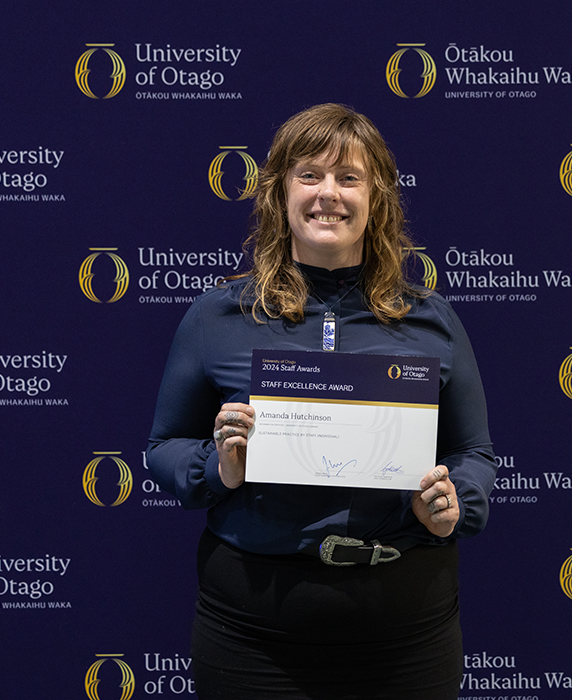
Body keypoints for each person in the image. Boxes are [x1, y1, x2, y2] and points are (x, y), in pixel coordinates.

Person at [147, 103, 497, 700]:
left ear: (377, 198)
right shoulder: (218, 315)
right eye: (309, 175)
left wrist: (453, 503)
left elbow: (474, 452)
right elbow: (164, 448)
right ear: (279, 193)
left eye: (349, 178)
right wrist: (220, 467)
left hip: (406, 635)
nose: (327, 194)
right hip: (254, 636)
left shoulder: (432, 321)